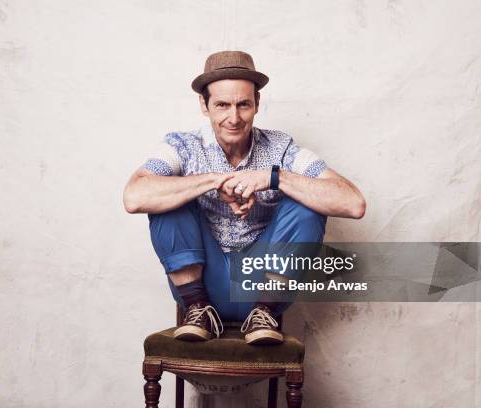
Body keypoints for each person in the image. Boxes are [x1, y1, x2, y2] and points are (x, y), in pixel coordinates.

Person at [123, 51, 365, 345]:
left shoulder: (281, 148)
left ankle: (265, 313)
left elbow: (354, 203)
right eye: (222, 105)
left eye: (243, 105)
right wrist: (212, 181)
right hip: (201, 285)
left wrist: (275, 177)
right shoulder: (182, 145)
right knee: (165, 195)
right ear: (204, 104)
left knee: (306, 199)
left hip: (261, 284)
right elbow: (134, 197)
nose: (234, 118)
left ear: (257, 104)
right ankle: (199, 311)